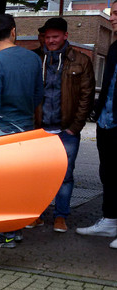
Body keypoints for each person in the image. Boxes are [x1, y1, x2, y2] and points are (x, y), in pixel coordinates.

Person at [0, 14, 44, 248]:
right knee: (17, 186)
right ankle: (15, 231)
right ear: (14, 32)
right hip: (25, 130)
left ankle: (1, 235)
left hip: (3, 132)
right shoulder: (34, 59)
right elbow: (38, 97)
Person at [26, 17, 95, 233]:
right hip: (39, 129)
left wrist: (75, 127)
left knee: (65, 175)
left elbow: (87, 96)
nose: (50, 41)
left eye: (55, 36)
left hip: (67, 130)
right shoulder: (35, 59)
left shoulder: (81, 61)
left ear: (65, 36)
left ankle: (60, 216)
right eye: (47, 37)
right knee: (37, 174)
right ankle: (36, 215)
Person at [76, 0, 117, 249]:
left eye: (116, 13)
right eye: (112, 13)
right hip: (106, 122)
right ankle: (110, 220)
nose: (112, 18)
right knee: (109, 174)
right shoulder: (114, 48)